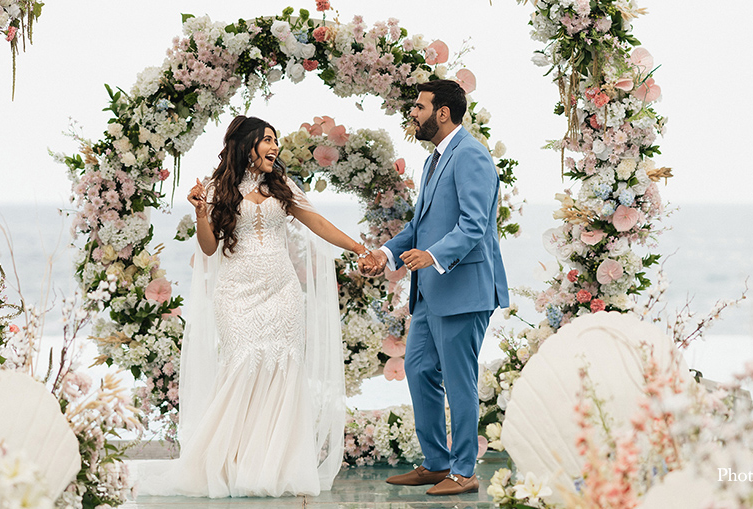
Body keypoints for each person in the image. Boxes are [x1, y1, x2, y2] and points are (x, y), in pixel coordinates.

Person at [134, 115, 376, 498]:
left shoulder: (282, 186)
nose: (275, 146)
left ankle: (272, 468)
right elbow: (210, 248)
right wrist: (200, 213)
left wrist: (361, 249)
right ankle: (228, 465)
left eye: (275, 140)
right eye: (267, 139)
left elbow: (318, 223)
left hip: (282, 292)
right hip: (236, 293)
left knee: (283, 371)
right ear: (247, 145)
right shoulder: (216, 189)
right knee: (243, 366)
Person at [360, 78, 509, 495]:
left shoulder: (471, 156)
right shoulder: (434, 160)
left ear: (442, 113)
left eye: (419, 108)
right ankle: (436, 462)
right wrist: (385, 255)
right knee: (419, 367)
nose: (413, 114)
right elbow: (419, 226)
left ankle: (464, 471)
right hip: (429, 292)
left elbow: (475, 224)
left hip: (464, 289)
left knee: (459, 380)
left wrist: (434, 256)